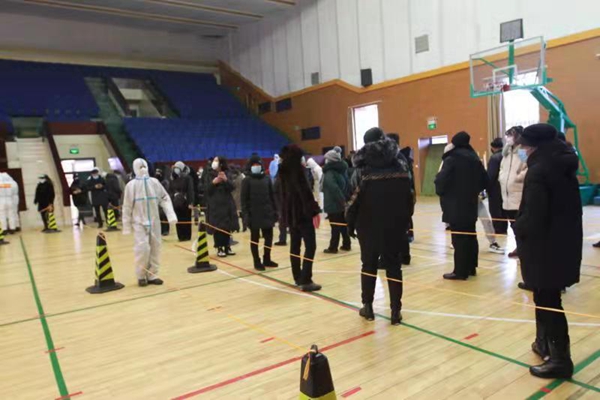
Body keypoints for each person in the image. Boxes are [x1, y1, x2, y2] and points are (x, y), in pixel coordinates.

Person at [512, 123, 582, 379]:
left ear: (534, 146)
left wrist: (518, 227)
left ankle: (560, 359)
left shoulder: (540, 170)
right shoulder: (561, 164)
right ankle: (544, 344)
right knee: (546, 298)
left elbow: (534, 215)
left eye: (524, 146)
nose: (522, 150)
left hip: (544, 248)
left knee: (548, 301)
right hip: (562, 244)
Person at [346, 127, 412, 325]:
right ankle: (395, 311)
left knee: (368, 265)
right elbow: (410, 195)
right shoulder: (400, 164)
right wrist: (406, 219)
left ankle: (367, 306)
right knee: (394, 266)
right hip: (395, 224)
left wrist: (350, 223)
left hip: (367, 225)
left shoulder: (361, 168)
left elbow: (352, 200)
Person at [435, 132, 488, 280]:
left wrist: (443, 192)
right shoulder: (474, 158)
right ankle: (471, 267)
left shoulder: (451, 159)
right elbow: (485, 180)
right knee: (470, 235)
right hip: (470, 203)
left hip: (455, 204)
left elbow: (441, 180)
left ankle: (460, 271)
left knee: (459, 238)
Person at [122, 158, 177, 287]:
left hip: (154, 221)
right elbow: (127, 206)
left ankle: (153, 275)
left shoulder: (154, 182)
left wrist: (170, 215)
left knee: (155, 248)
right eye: (139, 167)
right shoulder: (131, 186)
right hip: (139, 223)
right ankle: (141, 275)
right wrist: (126, 225)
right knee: (142, 249)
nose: (142, 169)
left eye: (144, 166)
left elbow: (164, 198)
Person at [277, 144, 322, 292]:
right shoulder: (298, 171)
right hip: (302, 214)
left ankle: (297, 277)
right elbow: (305, 194)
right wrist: (314, 211)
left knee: (295, 246)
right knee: (310, 246)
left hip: (290, 214)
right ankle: (306, 279)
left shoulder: (282, 172)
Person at [241, 155, 279, 271]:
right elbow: (244, 200)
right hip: (253, 215)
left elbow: (272, 196)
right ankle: (256, 261)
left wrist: (275, 211)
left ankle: (267, 258)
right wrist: (246, 216)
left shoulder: (267, 179)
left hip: (267, 213)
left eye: (258, 164)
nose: (256, 166)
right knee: (255, 239)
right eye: (254, 165)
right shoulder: (246, 180)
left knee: (269, 238)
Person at [499, 126, 527, 258]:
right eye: (508, 135)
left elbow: (527, 168)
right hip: (506, 195)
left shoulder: (523, 152)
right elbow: (502, 168)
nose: (508, 138)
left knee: (521, 225)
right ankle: (519, 246)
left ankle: (524, 248)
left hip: (518, 194)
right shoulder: (506, 153)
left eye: (511, 135)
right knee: (513, 225)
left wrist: (517, 178)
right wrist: (501, 178)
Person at [205, 156, 239, 257]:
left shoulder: (227, 173)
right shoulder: (208, 174)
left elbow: (232, 187)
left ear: (221, 163)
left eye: (216, 161)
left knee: (227, 226)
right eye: (214, 160)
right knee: (217, 227)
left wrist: (225, 180)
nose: (214, 162)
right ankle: (219, 247)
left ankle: (227, 246)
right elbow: (206, 190)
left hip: (227, 203)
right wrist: (213, 183)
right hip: (215, 204)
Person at [322, 149, 351, 253]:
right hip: (342, 202)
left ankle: (333, 247)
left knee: (334, 226)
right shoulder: (342, 170)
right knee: (343, 225)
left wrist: (342, 201)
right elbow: (347, 185)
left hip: (333, 203)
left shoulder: (329, 172)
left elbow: (334, 189)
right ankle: (346, 244)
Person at [169, 161, 195, 242]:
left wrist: (191, 202)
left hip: (185, 202)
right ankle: (180, 236)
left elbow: (190, 190)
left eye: (177, 168)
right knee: (179, 220)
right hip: (176, 202)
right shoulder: (172, 178)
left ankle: (187, 236)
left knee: (186, 219)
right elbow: (170, 190)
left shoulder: (188, 178)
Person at [488, 138, 507, 234]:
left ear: (492, 147)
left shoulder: (494, 158)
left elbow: (491, 176)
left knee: (495, 210)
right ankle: (504, 229)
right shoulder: (506, 155)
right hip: (505, 187)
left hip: (495, 188)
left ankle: (499, 230)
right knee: (504, 210)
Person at [154, 167, 170, 236]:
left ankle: (166, 230)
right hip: (157, 201)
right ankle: (160, 230)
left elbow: (165, 191)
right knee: (159, 216)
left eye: (159, 173)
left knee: (164, 216)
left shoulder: (165, 182)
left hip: (164, 200)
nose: (157, 174)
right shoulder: (155, 182)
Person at [230, 166, 246, 232]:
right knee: (242, 213)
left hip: (233, 197)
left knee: (234, 214)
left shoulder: (231, 178)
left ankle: (236, 228)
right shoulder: (242, 177)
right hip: (241, 197)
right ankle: (244, 226)